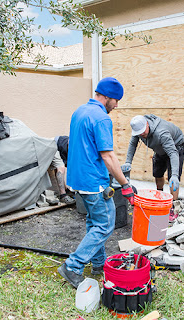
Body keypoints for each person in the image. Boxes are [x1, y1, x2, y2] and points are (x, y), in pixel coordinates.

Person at [57, 77, 134, 288]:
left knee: (94, 222)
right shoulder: (101, 118)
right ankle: (73, 266)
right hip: (93, 182)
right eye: (116, 100)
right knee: (105, 225)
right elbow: (108, 157)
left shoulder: (79, 111)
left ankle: (99, 264)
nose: (117, 105)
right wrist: (125, 185)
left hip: (76, 179)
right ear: (107, 96)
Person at [123, 114, 184, 221]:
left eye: (143, 131)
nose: (142, 134)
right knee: (157, 173)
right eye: (139, 133)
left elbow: (173, 153)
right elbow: (132, 145)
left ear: (147, 124)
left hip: (176, 146)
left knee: (172, 179)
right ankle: (159, 196)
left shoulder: (161, 133)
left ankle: (173, 206)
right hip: (160, 149)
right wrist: (128, 162)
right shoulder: (138, 129)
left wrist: (175, 175)